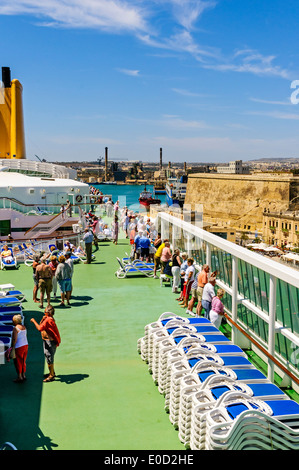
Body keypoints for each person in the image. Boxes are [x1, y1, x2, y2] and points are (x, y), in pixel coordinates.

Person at [30, 304, 61, 382]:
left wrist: (34, 321)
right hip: (47, 341)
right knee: (48, 357)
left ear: (49, 313)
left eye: (45, 312)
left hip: (50, 342)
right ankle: (52, 372)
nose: (44, 313)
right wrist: (42, 319)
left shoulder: (48, 320)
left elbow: (40, 328)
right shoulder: (48, 318)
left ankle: (51, 376)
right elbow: (42, 325)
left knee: (49, 358)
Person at [11, 314, 28, 383]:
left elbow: (15, 339)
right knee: (23, 361)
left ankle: (20, 376)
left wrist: (12, 346)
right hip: (25, 345)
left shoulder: (15, 328)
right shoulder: (24, 327)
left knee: (18, 362)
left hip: (19, 346)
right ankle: (23, 375)